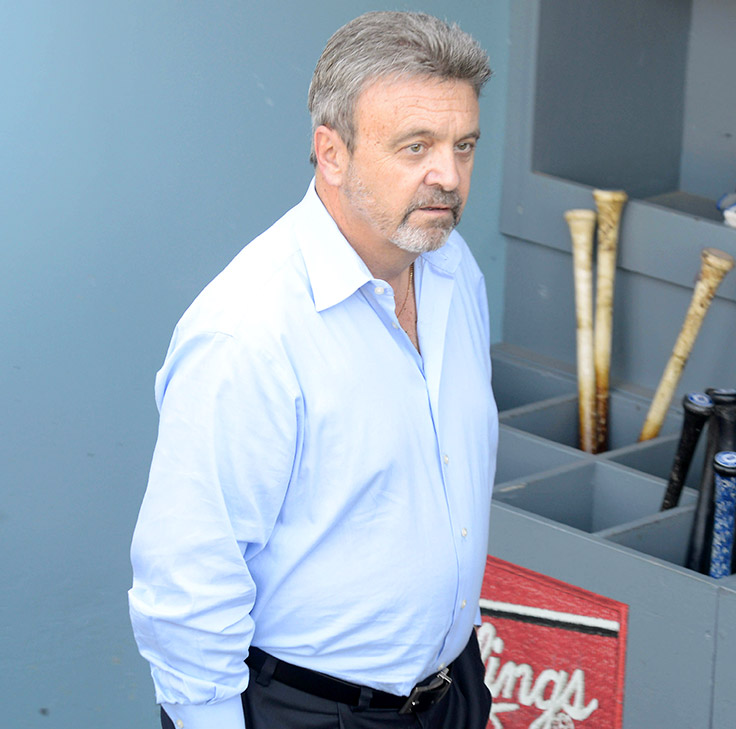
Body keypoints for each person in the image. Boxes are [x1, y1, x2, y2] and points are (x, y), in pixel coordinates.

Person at [128, 12, 498, 729]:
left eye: (464, 146)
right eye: (415, 146)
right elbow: (186, 585)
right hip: (311, 712)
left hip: (451, 694)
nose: (447, 176)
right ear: (331, 153)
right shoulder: (249, 330)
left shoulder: (453, 269)